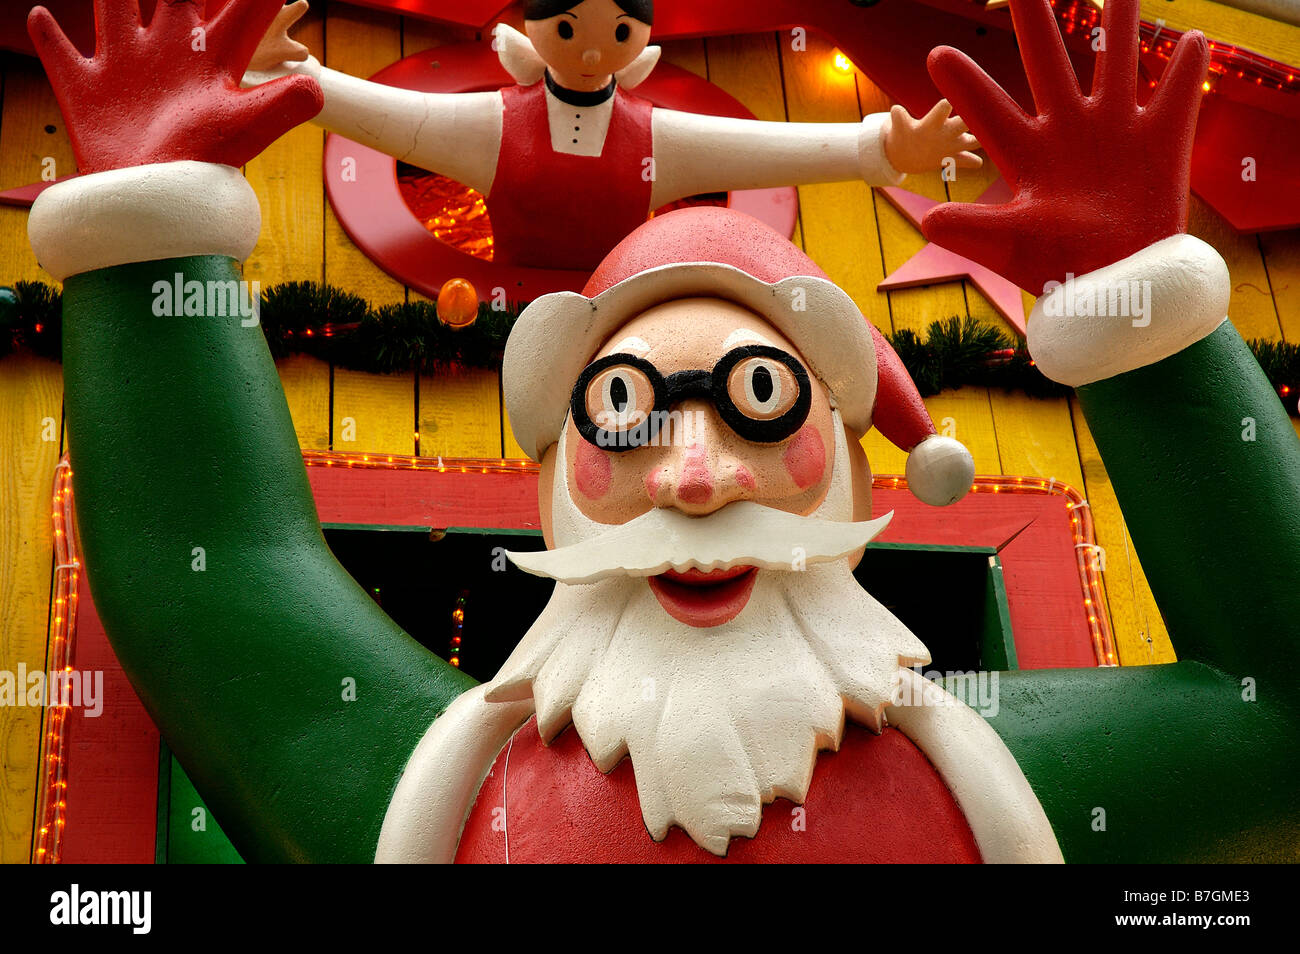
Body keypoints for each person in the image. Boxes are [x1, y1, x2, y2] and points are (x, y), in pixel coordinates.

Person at [24, 0, 1300, 862]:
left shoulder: (992, 784)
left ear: (851, 465)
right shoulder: (444, 801)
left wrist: (1143, 311)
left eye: (760, 401)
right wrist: (151, 238)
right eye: (624, 413)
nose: (694, 477)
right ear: (557, 484)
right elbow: (219, 578)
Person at [243, 0, 981, 269]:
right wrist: (290, 73)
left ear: (639, 37)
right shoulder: (487, 124)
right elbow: (382, 113)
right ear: (536, 27)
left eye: (618, 29)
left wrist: (882, 150)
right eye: (570, 28)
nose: (594, 49)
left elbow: (771, 151)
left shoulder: (661, 137)